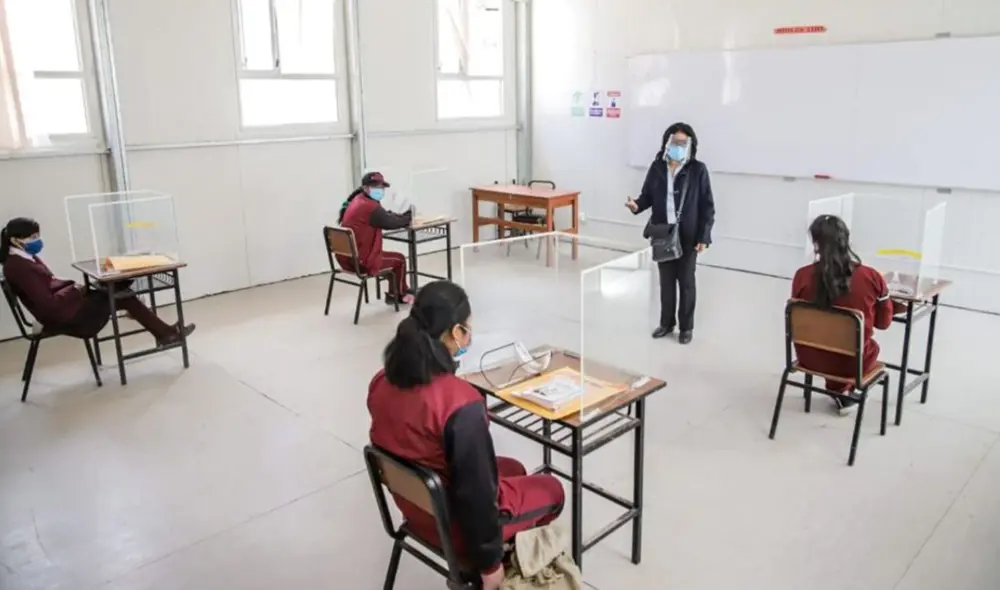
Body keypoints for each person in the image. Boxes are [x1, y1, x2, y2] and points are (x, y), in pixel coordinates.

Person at [368, 281, 565, 590]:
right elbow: (476, 495)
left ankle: (504, 545)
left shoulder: (381, 382)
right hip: (454, 528)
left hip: (415, 508)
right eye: (468, 329)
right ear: (456, 332)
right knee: (552, 490)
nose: (469, 336)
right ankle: (499, 566)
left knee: (512, 467)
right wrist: (489, 564)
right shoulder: (460, 404)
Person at [0, 217, 194, 345]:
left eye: (38, 236)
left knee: (118, 292)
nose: (38, 240)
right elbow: (48, 304)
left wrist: (77, 288)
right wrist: (76, 290)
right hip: (67, 318)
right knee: (122, 295)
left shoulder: (23, 258)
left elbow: (49, 283)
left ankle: (165, 333)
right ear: (16, 240)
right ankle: (165, 333)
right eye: (33, 237)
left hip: (66, 308)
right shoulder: (19, 267)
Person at [791, 214, 903, 415]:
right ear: (846, 239)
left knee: (831, 341)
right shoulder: (871, 276)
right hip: (853, 364)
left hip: (809, 358)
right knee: (868, 347)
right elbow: (883, 323)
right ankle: (843, 390)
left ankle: (839, 390)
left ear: (815, 242)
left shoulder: (801, 275)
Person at [627, 122, 715, 344]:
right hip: (662, 232)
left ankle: (686, 327)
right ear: (667, 142)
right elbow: (646, 196)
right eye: (674, 141)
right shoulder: (657, 167)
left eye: (683, 143)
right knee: (666, 281)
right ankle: (666, 323)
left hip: (688, 235)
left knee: (686, 281)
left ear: (690, 145)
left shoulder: (697, 170)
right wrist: (636, 205)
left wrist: (704, 236)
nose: (678, 146)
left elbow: (707, 206)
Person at [338, 171, 414, 304]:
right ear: (366, 188)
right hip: (362, 262)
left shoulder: (358, 200)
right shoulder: (370, 206)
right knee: (399, 259)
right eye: (375, 187)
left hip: (347, 259)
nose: (379, 190)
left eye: (381, 187)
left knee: (391, 257)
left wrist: (393, 216)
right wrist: (408, 216)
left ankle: (396, 291)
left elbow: (383, 216)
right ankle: (397, 295)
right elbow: (391, 223)